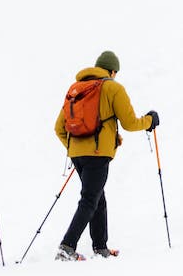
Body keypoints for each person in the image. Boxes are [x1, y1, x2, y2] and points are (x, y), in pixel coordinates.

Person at [53, 49, 159, 260]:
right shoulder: (113, 88)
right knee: (90, 199)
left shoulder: (76, 89)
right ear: (112, 71)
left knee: (97, 197)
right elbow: (130, 123)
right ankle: (66, 247)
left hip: (77, 155)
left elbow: (59, 128)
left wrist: (76, 148)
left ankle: (100, 247)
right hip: (98, 154)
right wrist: (149, 121)